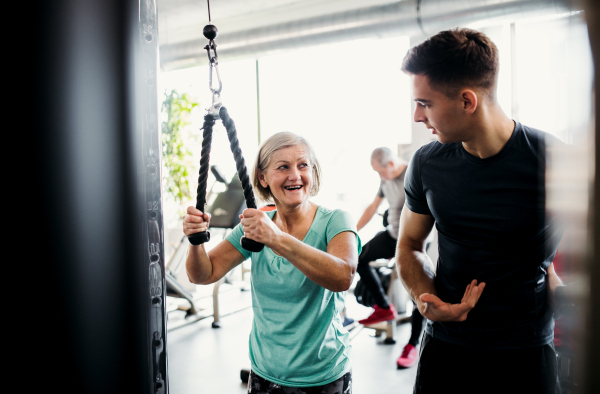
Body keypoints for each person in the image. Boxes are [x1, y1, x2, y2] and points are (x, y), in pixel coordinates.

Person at [397, 28, 563, 393]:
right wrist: (427, 300)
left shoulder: (555, 162)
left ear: (467, 101)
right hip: (447, 348)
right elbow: (408, 244)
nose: (416, 116)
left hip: (525, 352)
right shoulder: (426, 163)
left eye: (425, 103)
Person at [184, 132, 360, 394]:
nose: (295, 175)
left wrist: (276, 238)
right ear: (263, 178)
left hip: (322, 375)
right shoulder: (255, 224)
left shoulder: (335, 221)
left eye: (303, 165)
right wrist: (195, 240)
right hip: (264, 372)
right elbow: (203, 274)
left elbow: (342, 277)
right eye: (283, 167)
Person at [354, 147, 426, 368]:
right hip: (392, 235)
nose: (380, 177)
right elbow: (373, 207)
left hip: (414, 240)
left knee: (418, 292)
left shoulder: (412, 173)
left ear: (392, 164)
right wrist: (351, 233)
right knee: (358, 258)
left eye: (381, 172)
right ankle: (384, 307)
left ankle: (413, 344)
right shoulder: (385, 180)